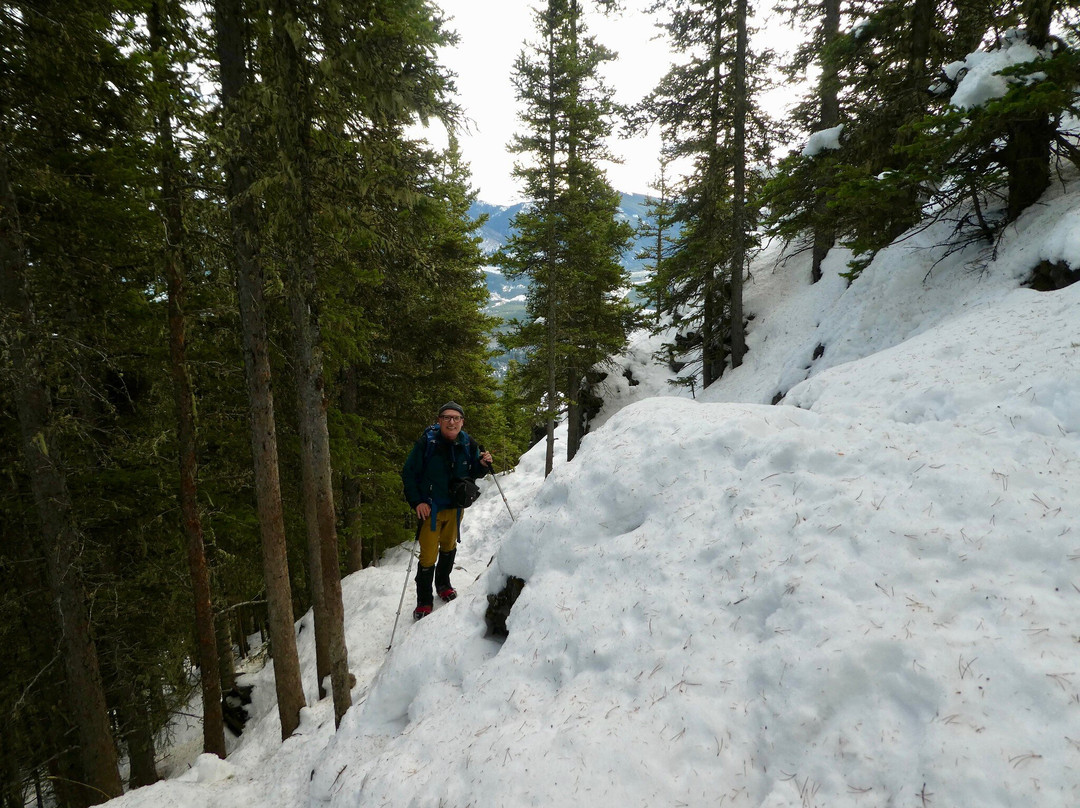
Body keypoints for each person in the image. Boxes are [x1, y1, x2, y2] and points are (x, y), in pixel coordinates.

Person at [401, 402, 492, 619]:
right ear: (439, 420)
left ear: (462, 421)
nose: (451, 422)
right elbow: (408, 473)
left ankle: (443, 585)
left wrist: (483, 463)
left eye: (456, 418)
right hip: (430, 510)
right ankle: (424, 600)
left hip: (455, 508)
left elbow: (474, 472)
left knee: (449, 547)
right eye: (446, 417)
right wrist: (417, 502)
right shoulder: (428, 443)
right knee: (428, 554)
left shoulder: (468, 443)